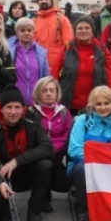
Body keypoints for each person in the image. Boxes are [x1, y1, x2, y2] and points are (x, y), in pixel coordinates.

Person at [0, 86, 54, 221]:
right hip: (1, 174)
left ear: (23, 108)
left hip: (25, 169)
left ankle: (34, 213)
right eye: (9, 107)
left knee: (46, 165)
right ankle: (2, 206)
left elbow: (47, 147)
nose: (13, 112)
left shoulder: (31, 120)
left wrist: (17, 161)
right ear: (1, 109)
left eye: (17, 107)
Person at [66, 86, 111, 221]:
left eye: (106, 103)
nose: (103, 108)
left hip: (109, 166)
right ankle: (81, 209)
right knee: (81, 169)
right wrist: (98, 159)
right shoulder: (82, 120)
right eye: (98, 104)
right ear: (92, 105)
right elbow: (74, 150)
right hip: (83, 164)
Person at [25, 76, 73, 212]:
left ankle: (45, 192)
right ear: (38, 93)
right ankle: (40, 199)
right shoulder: (31, 112)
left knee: (64, 182)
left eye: (52, 90)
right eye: (44, 90)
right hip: (38, 158)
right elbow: (31, 138)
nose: (48, 93)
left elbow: (67, 135)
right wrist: (45, 150)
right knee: (44, 167)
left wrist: (53, 148)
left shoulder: (64, 112)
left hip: (56, 157)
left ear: (57, 93)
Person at [58, 17, 111, 114]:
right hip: (69, 104)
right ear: (75, 31)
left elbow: (110, 75)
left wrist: (109, 96)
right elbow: (55, 72)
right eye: (80, 28)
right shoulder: (67, 48)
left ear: (92, 30)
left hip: (95, 104)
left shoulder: (102, 49)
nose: (83, 31)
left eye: (87, 28)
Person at [8, 18, 50, 106]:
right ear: (17, 32)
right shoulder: (8, 51)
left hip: (36, 102)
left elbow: (46, 78)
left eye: (29, 30)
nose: (26, 33)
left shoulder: (41, 52)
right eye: (22, 30)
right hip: (14, 102)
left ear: (33, 32)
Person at [33, 0, 74, 76]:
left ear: (51, 1)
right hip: (37, 65)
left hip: (56, 66)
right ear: (38, 2)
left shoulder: (61, 19)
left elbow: (68, 43)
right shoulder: (33, 21)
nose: (43, 1)